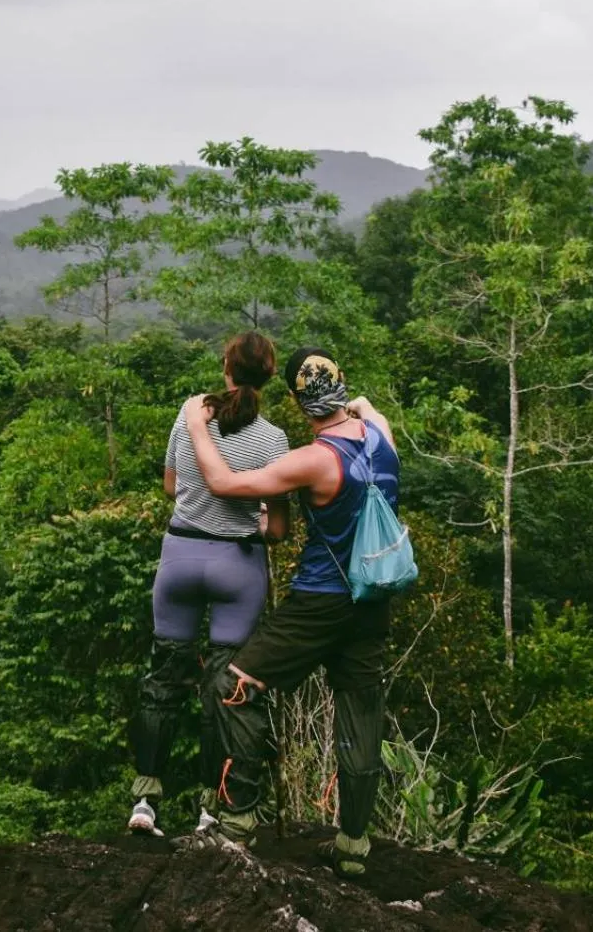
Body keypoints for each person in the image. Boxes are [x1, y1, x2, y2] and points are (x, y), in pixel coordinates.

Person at [181, 347, 398, 878]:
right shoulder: (382, 438)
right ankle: (353, 844)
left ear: (301, 405)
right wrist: (362, 406)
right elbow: (372, 410)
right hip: (376, 598)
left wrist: (195, 426)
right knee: (361, 710)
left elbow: (224, 485)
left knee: (237, 685)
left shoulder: (314, 458)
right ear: (343, 389)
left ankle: (237, 822)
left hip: (321, 602)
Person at [127, 331, 290, 838]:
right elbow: (278, 531)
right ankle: (208, 808)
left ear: (226, 367)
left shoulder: (192, 413)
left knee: (162, 681)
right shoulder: (276, 439)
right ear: (268, 376)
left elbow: (173, 485)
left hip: (180, 555)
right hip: (237, 565)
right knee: (223, 691)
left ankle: (145, 801)